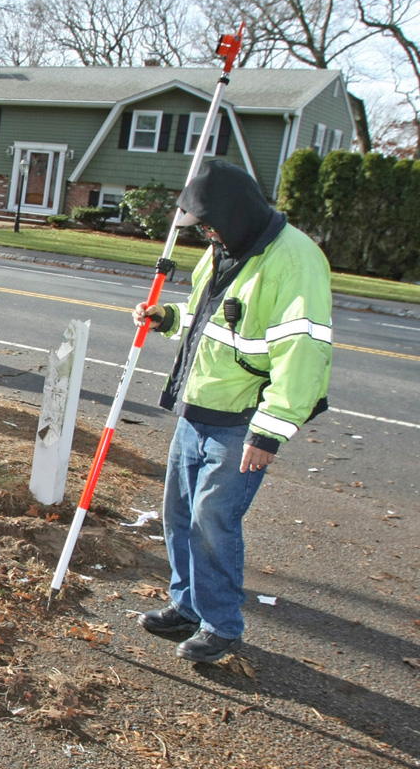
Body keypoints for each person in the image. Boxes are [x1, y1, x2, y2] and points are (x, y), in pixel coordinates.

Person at [132, 160, 332, 663]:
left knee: (212, 520)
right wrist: (167, 318)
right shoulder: (224, 249)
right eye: (201, 228)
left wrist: (269, 433)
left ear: (234, 213)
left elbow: (303, 352)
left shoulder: (295, 261)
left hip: (243, 418)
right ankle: (187, 606)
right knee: (179, 513)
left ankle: (220, 625)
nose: (207, 234)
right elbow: (211, 317)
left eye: (209, 225)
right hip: (199, 406)